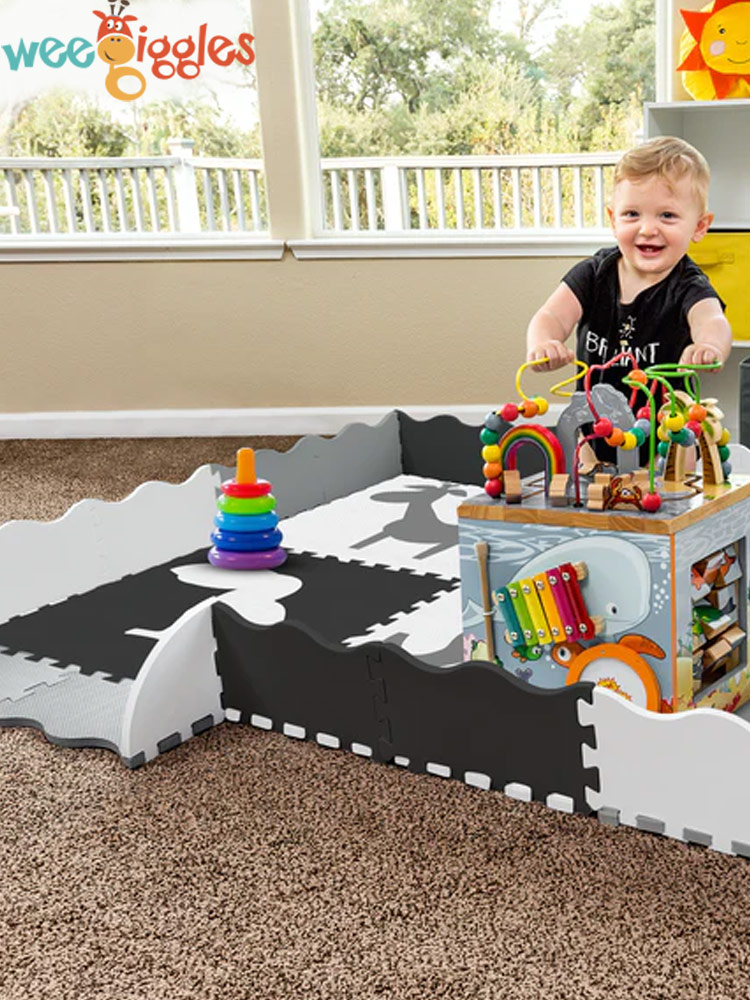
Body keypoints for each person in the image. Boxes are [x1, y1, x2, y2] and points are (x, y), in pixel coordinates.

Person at [526, 136, 732, 383]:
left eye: (667, 215)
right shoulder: (594, 273)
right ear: (614, 220)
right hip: (594, 416)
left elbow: (711, 319)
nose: (647, 229)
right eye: (632, 214)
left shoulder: (689, 285)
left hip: (665, 418)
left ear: (699, 227)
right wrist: (544, 342)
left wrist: (709, 345)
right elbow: (552, 315)